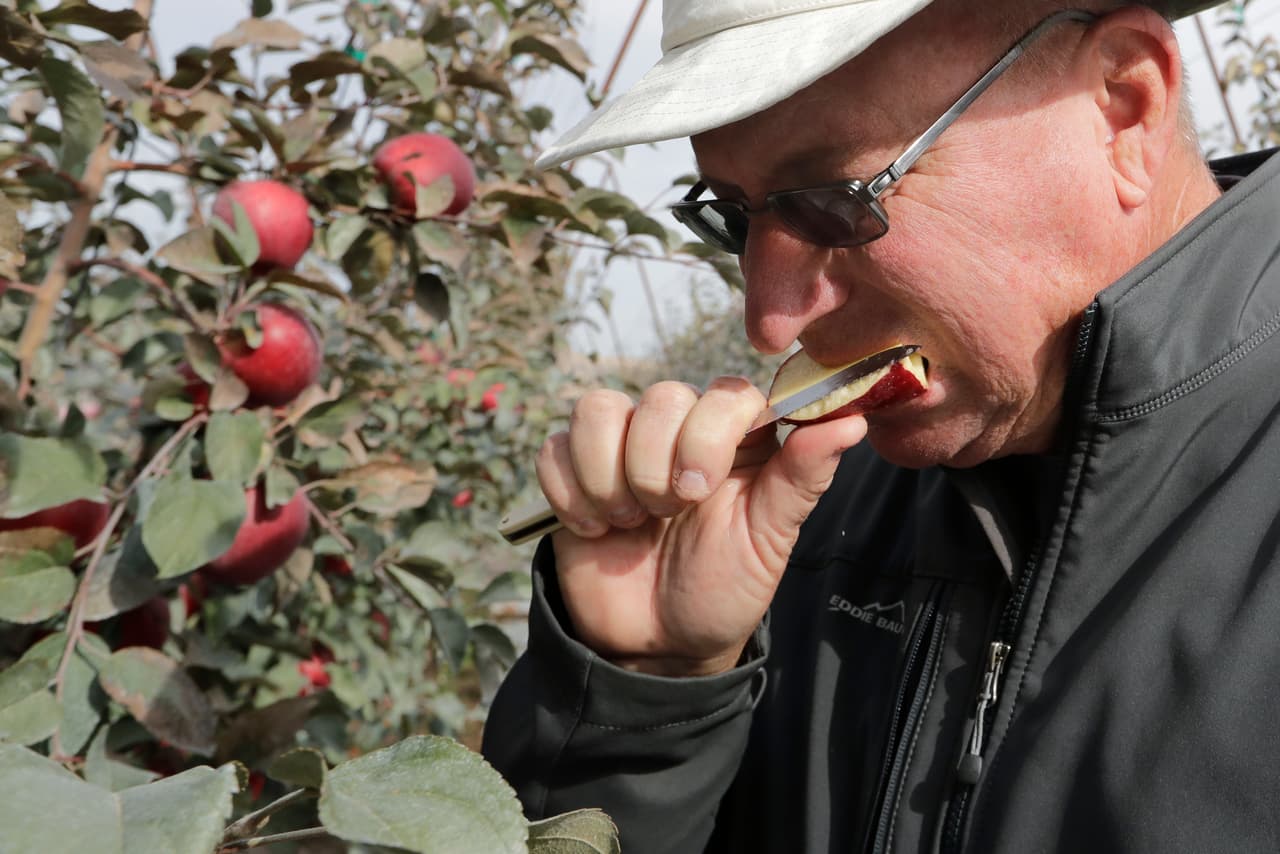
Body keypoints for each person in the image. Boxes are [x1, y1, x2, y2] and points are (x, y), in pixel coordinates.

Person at [482, 0, 1280, 850]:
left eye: (835, 202)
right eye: (734, 219)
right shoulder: (796, 525)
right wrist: (645, 701)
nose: (771, 320)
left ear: (1125, 104)